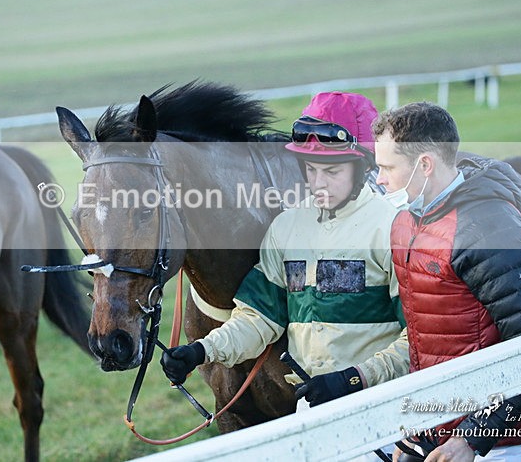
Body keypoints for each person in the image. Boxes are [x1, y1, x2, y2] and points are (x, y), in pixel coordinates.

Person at [161, 92, 409, 458]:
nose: (319, 183)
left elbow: (418, 340)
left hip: (384, 418)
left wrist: (354, 378)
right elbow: (260, 317)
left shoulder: (393, 231)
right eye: (311, 169)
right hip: (310, 417)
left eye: (332, 171)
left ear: (363, 166)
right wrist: (201, 350)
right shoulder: (287, 229)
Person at [372, 102, 521, 461]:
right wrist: (418, 430)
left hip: (497, 444)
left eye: (386, 167)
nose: (379, 179)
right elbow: (432, 342)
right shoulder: (407, 222)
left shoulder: (490, 229)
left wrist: (471, 438)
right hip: (439, 431)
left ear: (424, 165)